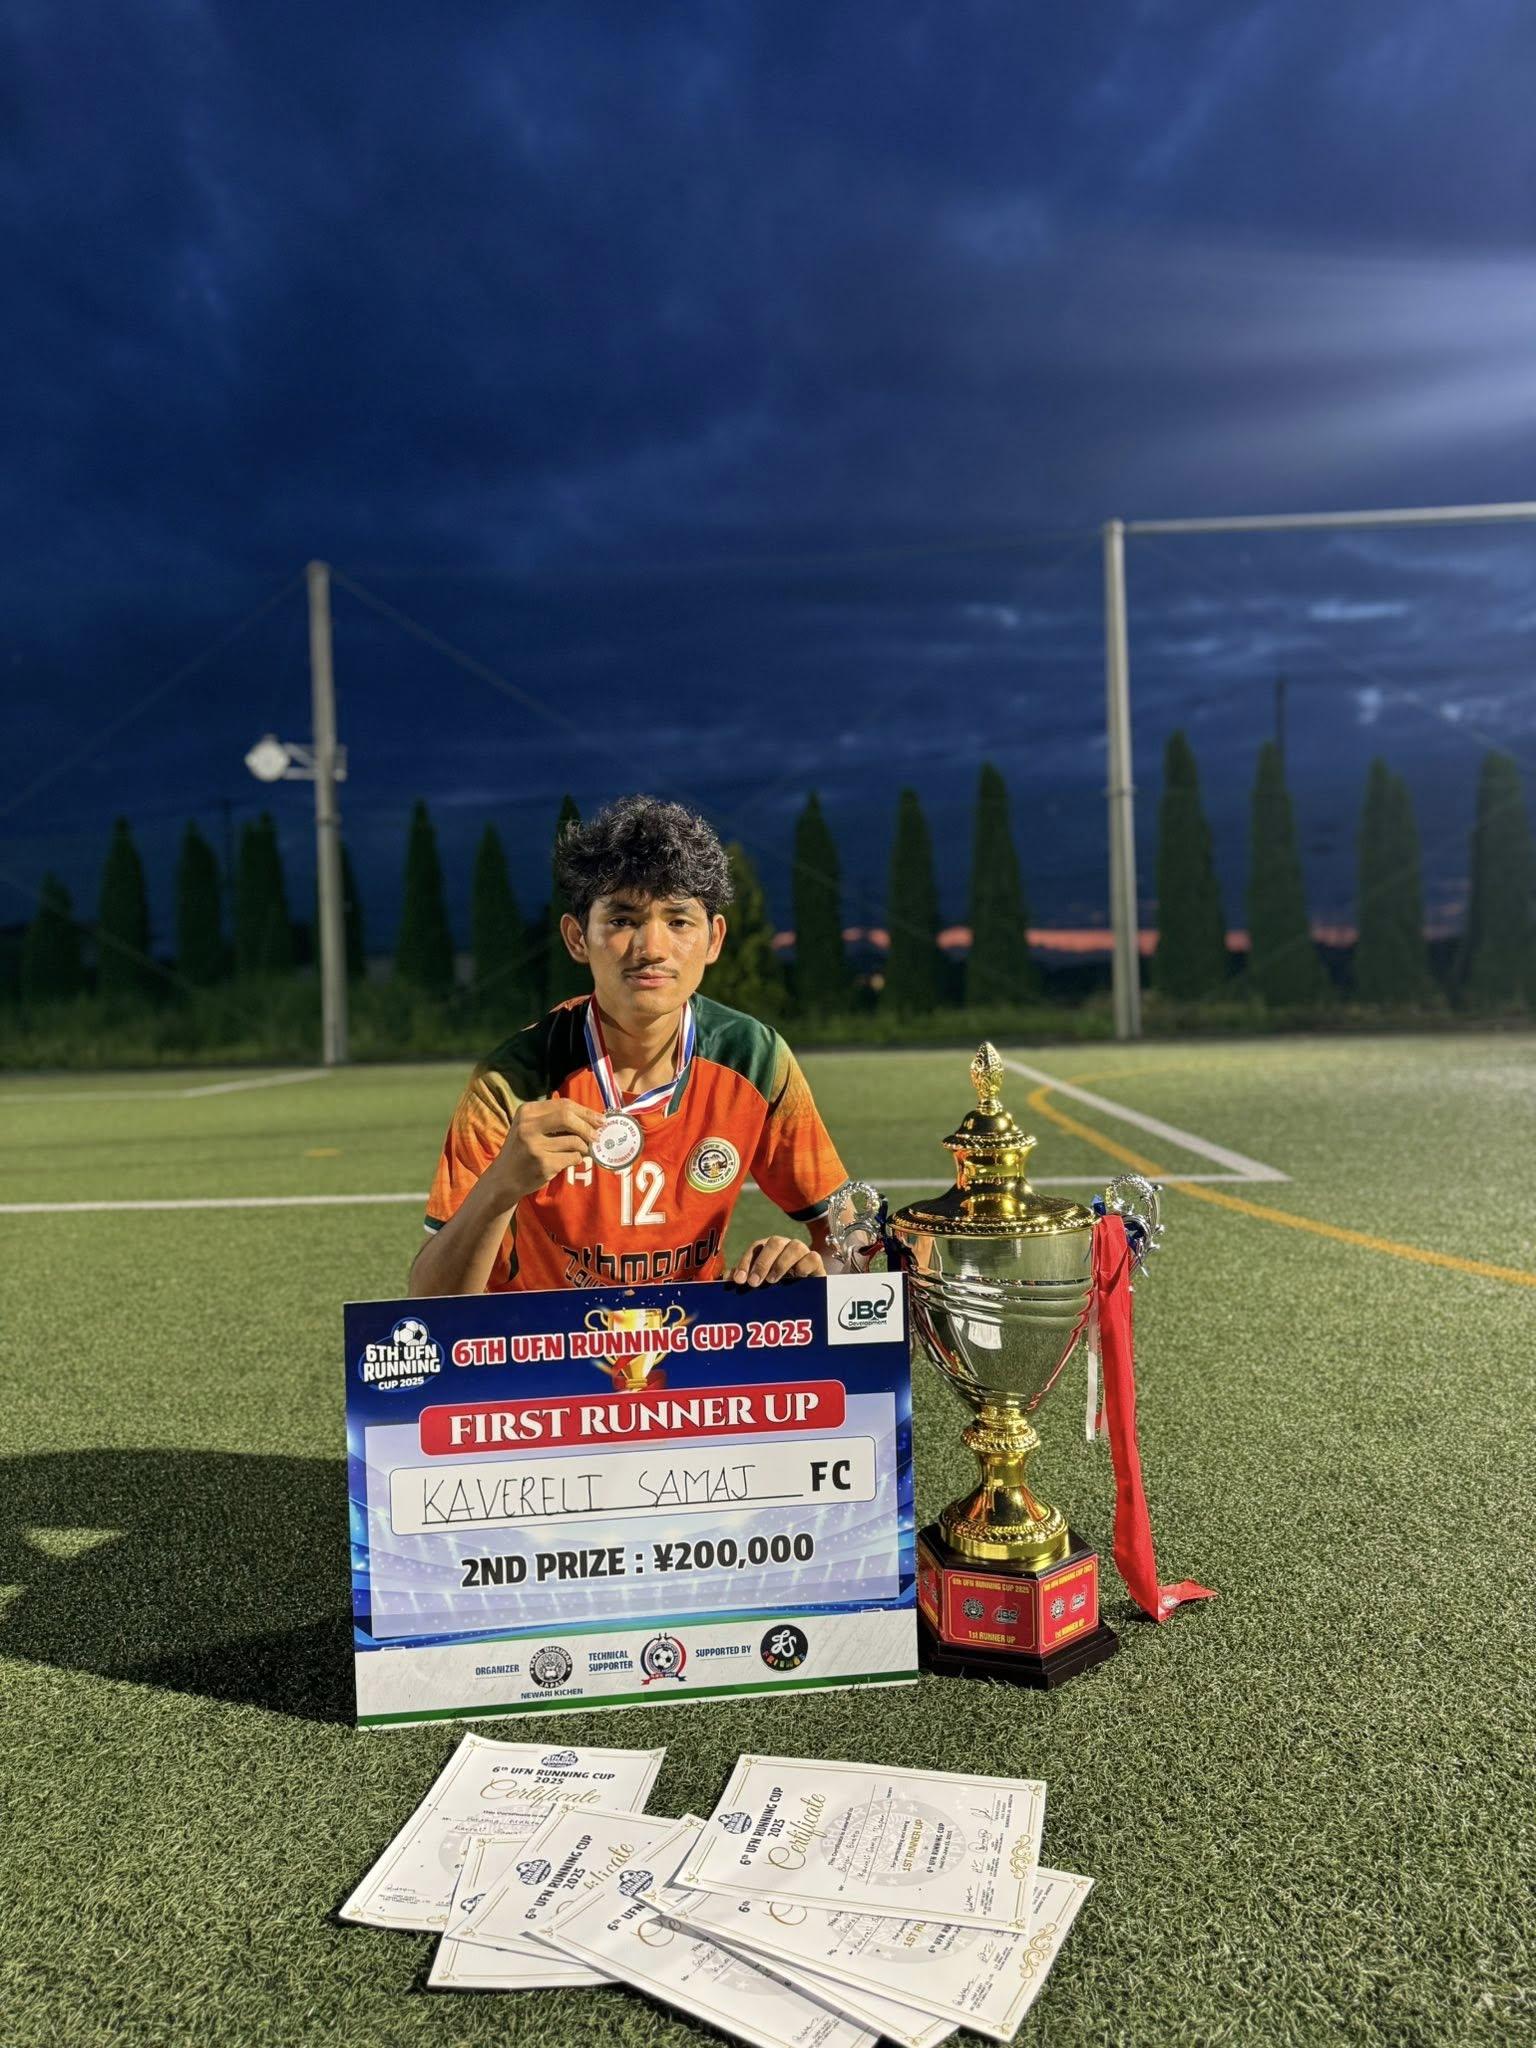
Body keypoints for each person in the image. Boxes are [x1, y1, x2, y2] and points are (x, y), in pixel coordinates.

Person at [409, 794, 847, 1297]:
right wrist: (501, 1185)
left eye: (678, 921)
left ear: (713, 939)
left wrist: (808, 1274)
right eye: (622, 920)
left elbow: (847, 1237)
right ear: (577, 938)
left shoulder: (753, 1059)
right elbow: (429, 1304)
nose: (651, 949)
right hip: (544, 1341)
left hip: (695, 1337)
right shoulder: (511, 1082)